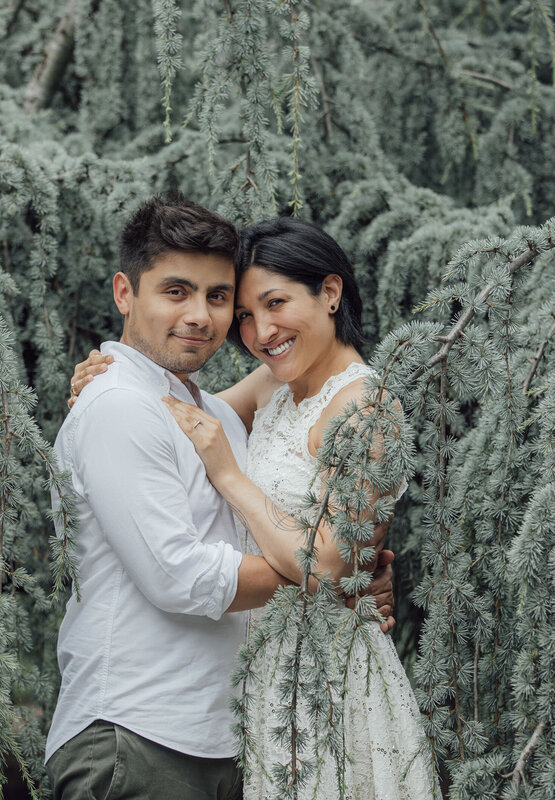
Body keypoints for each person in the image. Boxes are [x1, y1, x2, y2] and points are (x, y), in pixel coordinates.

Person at [69, 216, 440, 799]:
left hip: (325, 677)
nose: (261, 331)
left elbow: (328, 557)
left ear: (331, 292)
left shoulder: (369, 407)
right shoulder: (272, 387)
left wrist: (231, 477)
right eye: (243, 314)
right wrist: (107, 375)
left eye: (275, 303)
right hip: (260, 686)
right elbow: (174, 411)